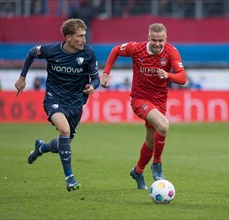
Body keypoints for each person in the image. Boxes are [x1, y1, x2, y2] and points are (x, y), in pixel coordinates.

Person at [15, 18, 100, 192]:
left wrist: (93, 86)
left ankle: (42, 147)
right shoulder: (51, 50)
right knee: (64, 130)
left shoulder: (88, 53)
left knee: (64, 141)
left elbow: (96, 78)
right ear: (68, 37)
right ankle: (70, 178)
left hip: (76, 103)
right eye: (80, 36)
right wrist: (22, 77)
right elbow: (32, 52)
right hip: (54, 99)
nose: (84, 40)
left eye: (85, 35)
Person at [101, 23, 186, 190]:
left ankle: (138, 171)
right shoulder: (136, 48)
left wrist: (168, 75)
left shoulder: (171, 51)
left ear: (165, 39)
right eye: (154, 40)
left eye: (160, 40)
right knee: (163, 125)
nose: (157, 44)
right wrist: (105, 73)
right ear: (148, 38)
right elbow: (115, 50)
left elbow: (182, 78)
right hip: (139, 99)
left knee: (151, 141)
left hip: (160, 101)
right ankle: (157, 164)